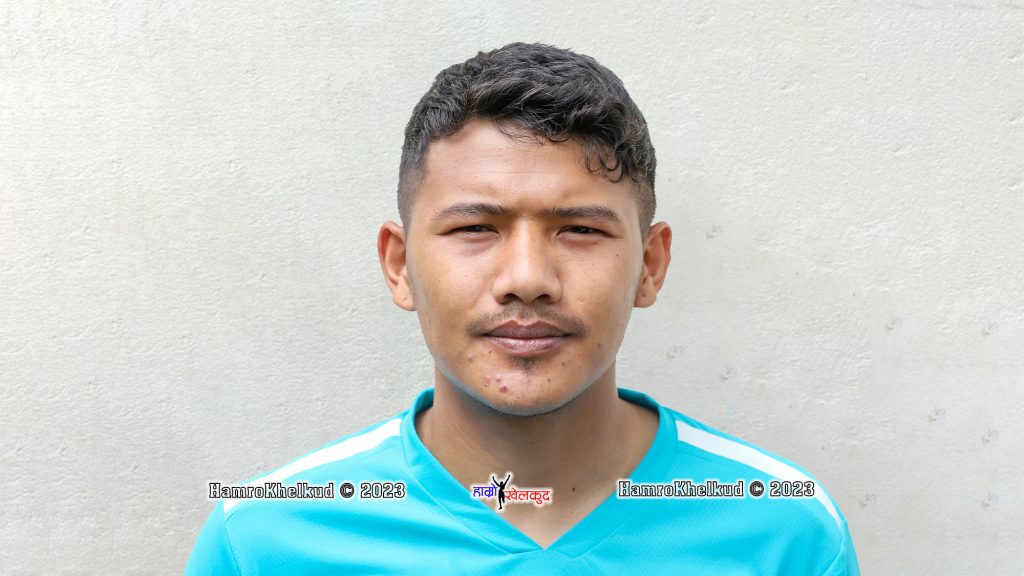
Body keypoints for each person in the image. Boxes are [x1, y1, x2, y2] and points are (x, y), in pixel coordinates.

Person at [186, 42, 859, 574]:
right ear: (399, 266)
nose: (528, 279)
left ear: (650, 266)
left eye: (580, 229)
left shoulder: (785, 531)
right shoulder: (263, 540)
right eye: (476, 227)